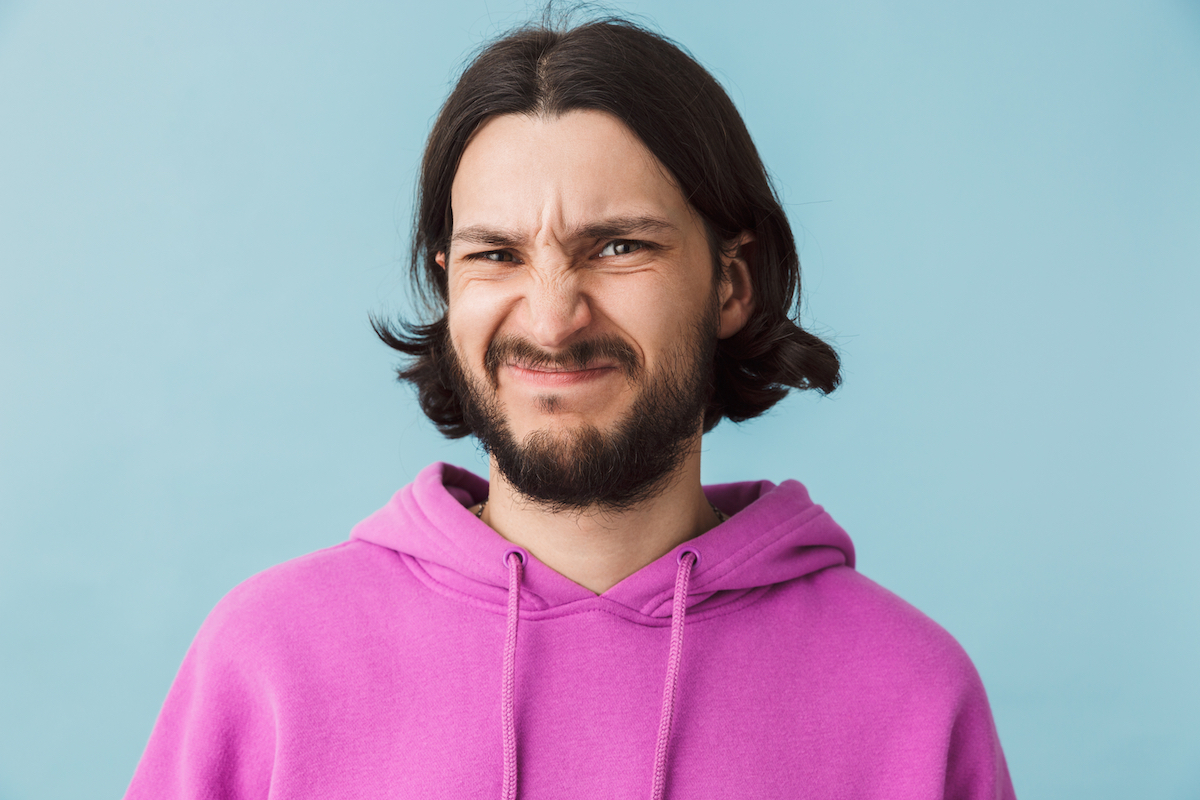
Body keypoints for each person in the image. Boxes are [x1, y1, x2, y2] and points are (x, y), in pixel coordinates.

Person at [125, 15, 1016, 800]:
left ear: (732, 284)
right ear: (448, 284)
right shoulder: (268, 661)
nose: (552, 320)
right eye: (497, 255)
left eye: (618, 247)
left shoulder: (911, 691)